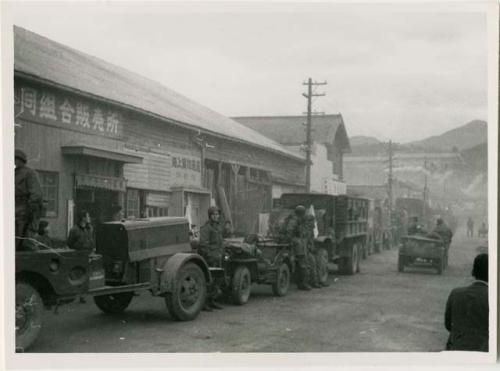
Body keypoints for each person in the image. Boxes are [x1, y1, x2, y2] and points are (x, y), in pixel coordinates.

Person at [444, 253, 488, 351]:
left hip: (456, 348)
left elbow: (448, 324)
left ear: (473, 272)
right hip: (484, 352)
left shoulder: (456, 293)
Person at [15, 149, 43, 250]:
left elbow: (36, 193)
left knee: (26, 239)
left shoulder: (29, 173)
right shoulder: (11, 173)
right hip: (14, 208)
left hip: (25, 208)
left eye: (16, 159)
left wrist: (30, 208)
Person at [199, 206, 224, 311]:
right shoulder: (206, 228)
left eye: (217, 214)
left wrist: (221, 253)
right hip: (210, 258)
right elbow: (203, 245)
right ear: (210, 216)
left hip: (218, 257)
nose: (216, 216)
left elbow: (220, 242)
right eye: (214, 214)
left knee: (217, 280)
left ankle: (212, 301)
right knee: (209, 281)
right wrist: (210, 256)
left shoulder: (218, 227)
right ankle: (204, 303)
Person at [283, 205, 311, 291]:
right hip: (296, 244)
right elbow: (289, 232)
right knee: (302, 263)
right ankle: (302, 284)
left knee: (301, 264)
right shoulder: (294, 220)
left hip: (297, 243)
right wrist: (290, 242)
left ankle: (300, 282)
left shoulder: (295, 219)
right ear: (301, 213)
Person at [303, 214, 322, 289]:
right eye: (313, 221)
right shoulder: (306, 230)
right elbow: (305, 242)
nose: (314, 223)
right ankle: (311, 283)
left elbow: (310, 241)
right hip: (305, 251)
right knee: (311, 264)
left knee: (315, 263)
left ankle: (315, 282)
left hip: (308, 250)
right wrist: (310, 249)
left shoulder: (309, 230)